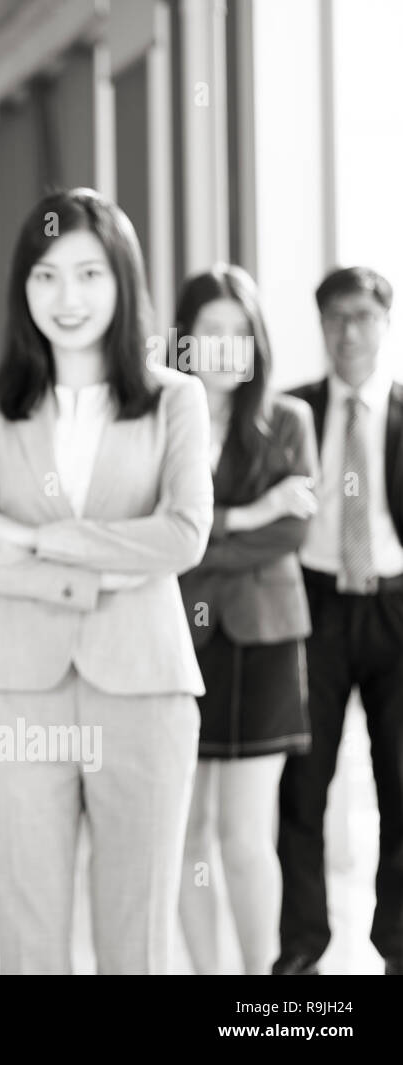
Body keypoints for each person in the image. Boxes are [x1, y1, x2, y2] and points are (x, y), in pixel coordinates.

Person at [0, 187, 211, 974]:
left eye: (89, 274)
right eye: (46, 276)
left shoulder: (176, 400)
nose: (67, 298)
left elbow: (183, 535)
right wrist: (103, 565)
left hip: (144, 689)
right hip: (15, 689)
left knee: (136, 937)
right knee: (29, 937)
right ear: (22, 288)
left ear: (123, 279)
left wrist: (44, 538)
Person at [172, 264, 317, 975]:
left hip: (264, 642)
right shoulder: (164, 420)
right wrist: (252, 513)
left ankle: (264, 991)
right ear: (185, 341)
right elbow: (159, 533)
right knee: (184, 835)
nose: (227, 346)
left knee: (244, 834)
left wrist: (204, 537)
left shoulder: (289, 420)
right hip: (179, 644)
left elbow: (291, 536)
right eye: (210, 331)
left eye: (239, 331)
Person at [276, 266, 403, 976]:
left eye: (361, 316)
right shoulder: (293, 410)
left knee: (402, 782)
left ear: (385, 322)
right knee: (302, 786)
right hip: (314, 606)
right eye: (334, 318)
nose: (348, 331)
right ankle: (302, 948)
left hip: (395, 605)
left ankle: (398, 946)